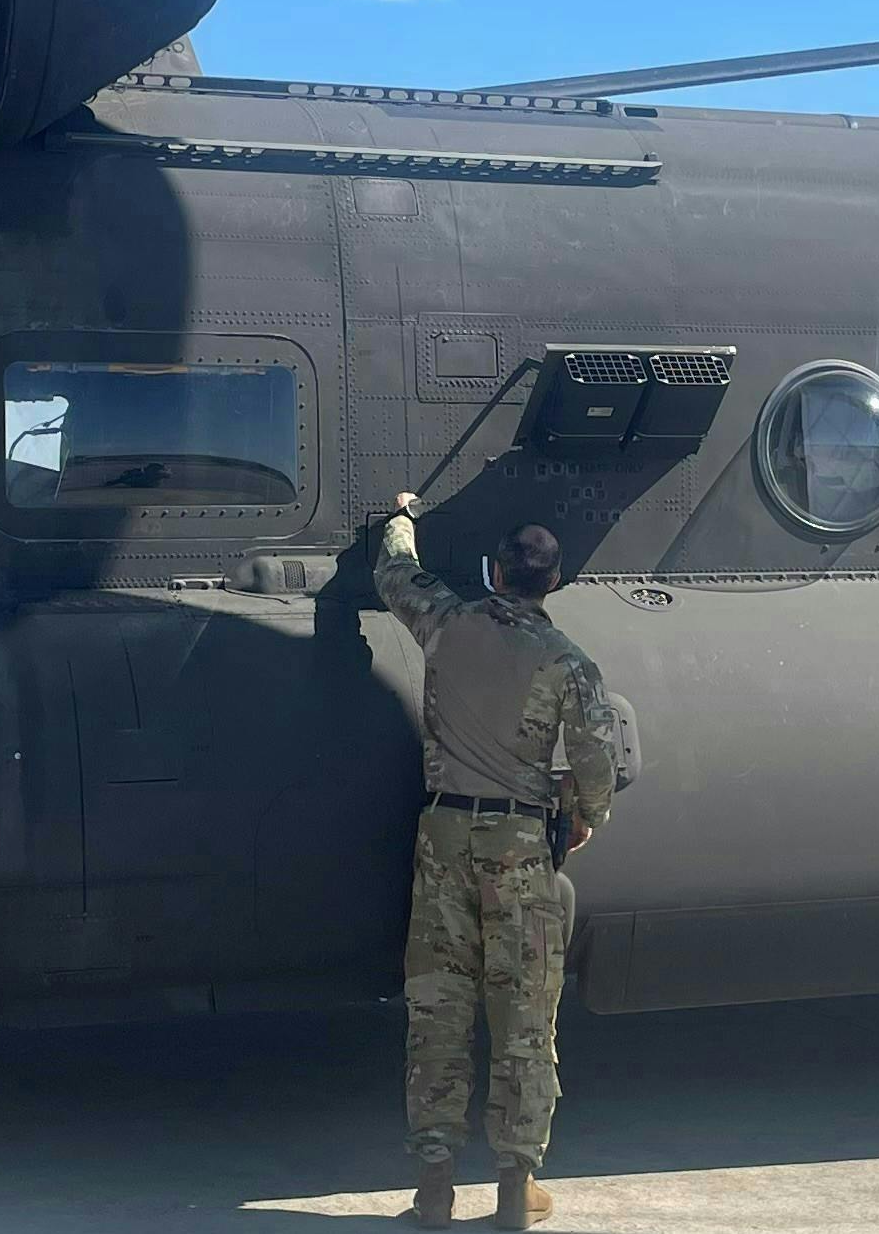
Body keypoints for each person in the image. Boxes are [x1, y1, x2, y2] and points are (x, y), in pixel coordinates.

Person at [373, 490, 621, 1231]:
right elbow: (597, 761)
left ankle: (433, 1190)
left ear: (496, 571)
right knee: (522, 1019)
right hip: (519, 849)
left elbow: (394, 572)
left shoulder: (447, 624)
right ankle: (516, 1192)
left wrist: (402, 516)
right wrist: (582, 817)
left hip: (444, 841)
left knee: (439, 1012)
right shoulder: (568, 663)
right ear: (553, 580)